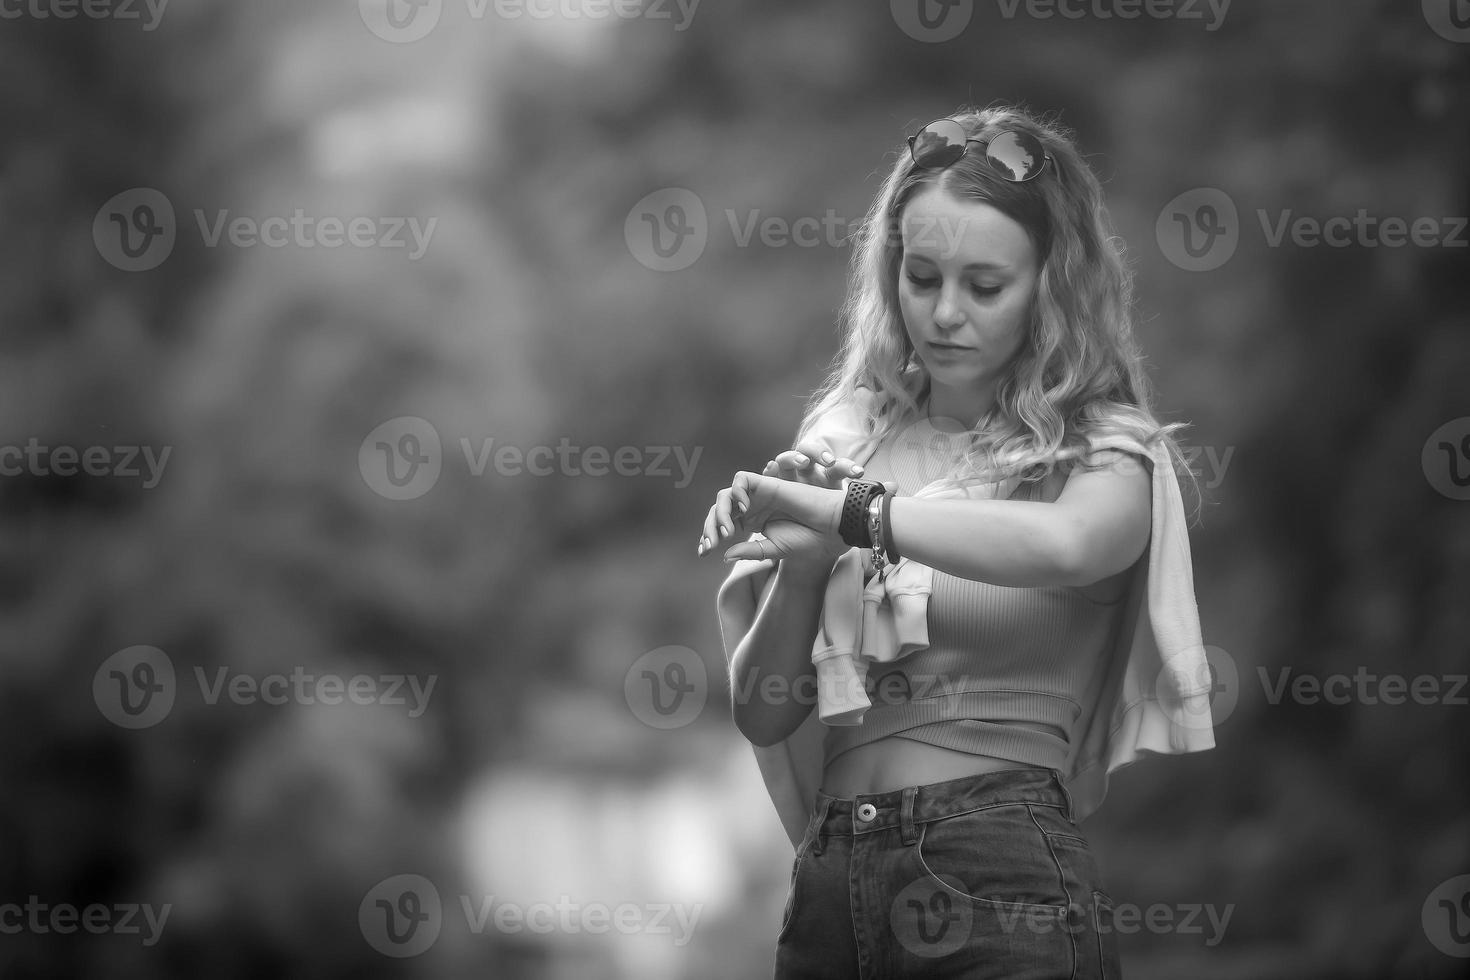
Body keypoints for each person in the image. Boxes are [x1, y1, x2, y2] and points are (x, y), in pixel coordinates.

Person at [698, 104, 1215, 978]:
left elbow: (1067, 546)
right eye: (921, 274)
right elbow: (764, 711)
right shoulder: (847, 440)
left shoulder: (1102, 451)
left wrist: (855, 513)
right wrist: (808, 563)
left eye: (984, 286)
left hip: (997, 865)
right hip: (831, 884)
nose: (943, 313)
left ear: (1051, 287)